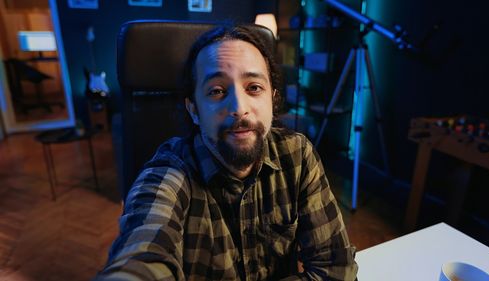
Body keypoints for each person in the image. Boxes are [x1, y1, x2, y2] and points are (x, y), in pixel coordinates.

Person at [96, 24, 357, 280]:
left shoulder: (297, 155)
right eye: (217, 91)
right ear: (194, 110)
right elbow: (143, 251)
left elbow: (336, 268)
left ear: (273, 100)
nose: (239, 107)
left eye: (254, 87)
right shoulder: (170, 174)